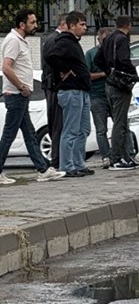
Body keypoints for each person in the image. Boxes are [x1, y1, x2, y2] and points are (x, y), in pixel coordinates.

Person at [0, 10, 64, 185]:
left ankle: (43, 169)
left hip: (20, 96)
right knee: (9, 135)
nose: (36, 25)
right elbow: (6, 67)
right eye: (32, 22)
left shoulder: (20, 41)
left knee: (29, 134)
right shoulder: (13, 41)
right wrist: (21, 87)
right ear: (22, 24)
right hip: (16, 95)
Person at [44, 12, 91, 179]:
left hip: (81, 90)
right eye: (82, 25)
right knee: (71, 130)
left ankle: (78, 163)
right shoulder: (64, 41)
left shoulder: (73, 43)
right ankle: (67, 166)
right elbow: (50, 57)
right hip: (71, 91)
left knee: (83, 129)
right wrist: (64, 70)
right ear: (72, 26)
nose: (85, 28)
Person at [102, 16, 139, 170]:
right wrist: (133, 74)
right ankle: (117, 158)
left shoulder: (108, 38)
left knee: (121, 121)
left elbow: (99, 59)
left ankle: (127, 157)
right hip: (120, 85)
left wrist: (107, 71)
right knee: (120, 122)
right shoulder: (122, 39)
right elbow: (124, 60)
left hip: (109, 82)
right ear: (129, 25)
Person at [41, 15, 66, 172]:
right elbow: (51, 63)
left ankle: (57, 157)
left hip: (51, 85)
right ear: (63, 25)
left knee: (57, 123)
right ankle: (56, 158)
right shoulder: (55, 40)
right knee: (57, 123)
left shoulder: (52, 39)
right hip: (53, 86)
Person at [86, 27, 113, 168]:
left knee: (122, 126)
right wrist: (104, 74)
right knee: (101, 129)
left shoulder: (114, 52)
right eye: (103, 40)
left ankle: (126, 154)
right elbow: (87, 75)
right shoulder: (91, 54)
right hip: (97, 95)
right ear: (98, 39)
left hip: (114, 95)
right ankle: (106, 156)